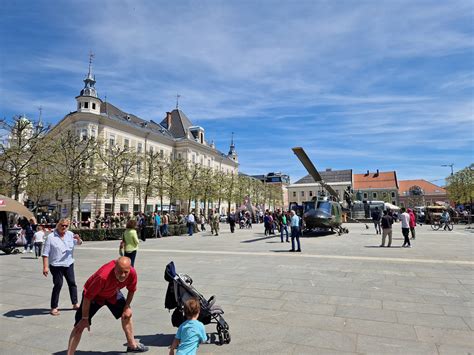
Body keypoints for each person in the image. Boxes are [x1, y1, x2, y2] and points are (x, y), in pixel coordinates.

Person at [66, 257, 148, 354]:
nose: (122, 275)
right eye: (119, 271)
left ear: (130, 269)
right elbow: (87, 297)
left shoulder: (132, 274)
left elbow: (131, 290)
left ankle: (132, 345)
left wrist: (127, 307)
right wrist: (84, 318)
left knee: (127, 315)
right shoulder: (103, 276)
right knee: (79, 325)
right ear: (115, 268)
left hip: (112, 293)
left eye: (125, 272)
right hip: (94, 296)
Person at [42, 218, 82, 316]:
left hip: (69, 263)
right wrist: (45, 267)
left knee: (72, 283)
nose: (64, 227)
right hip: (56, 265)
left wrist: (78, 239)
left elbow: (79, 243)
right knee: (58, 284)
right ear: (58, 225)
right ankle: (54, 307)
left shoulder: (70, 234)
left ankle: (75, 303)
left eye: (66, 226)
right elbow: (45, 254)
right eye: (62, 225)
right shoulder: (51, 237)